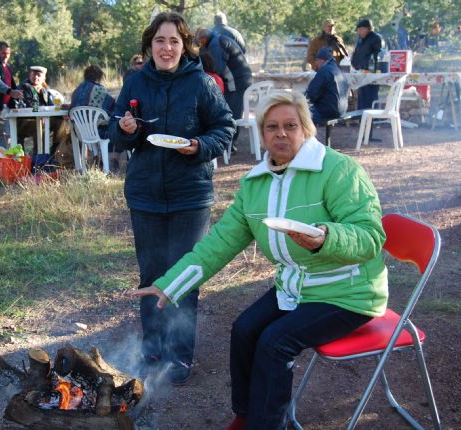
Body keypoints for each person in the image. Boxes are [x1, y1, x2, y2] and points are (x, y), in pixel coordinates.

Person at [133, 90, 388, 430]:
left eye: (290, 125)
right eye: (271, 127)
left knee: (275, 342)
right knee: (243, 330)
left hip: (348, 292)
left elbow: (371, 237)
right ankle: (246, 415)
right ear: (261, 133)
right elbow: (220, 242)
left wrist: (325, 237)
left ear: (306, 129)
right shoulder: (257, 184)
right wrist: (170, 284)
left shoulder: (339, 170)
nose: (281, 134)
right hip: (296, 288)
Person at [109, 12, 235, 385]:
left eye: (174, 42)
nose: (166, 48)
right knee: (151, 274)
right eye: (160, 41)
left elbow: (225, 129)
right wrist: (125, 128)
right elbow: (117, 134)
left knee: (183, 276)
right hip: (145, 195)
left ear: (185, 47)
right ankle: (152, 348)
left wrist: (198, 146)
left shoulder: (201, 84)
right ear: (150, 45)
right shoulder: (135, 83)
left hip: (189, 195)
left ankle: (179, 355)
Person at [197, 28, 252, 153]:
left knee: (231, 113)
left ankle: (229, 145)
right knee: (233, 111)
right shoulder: (219, 38)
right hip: (243, 77)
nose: (200, 45)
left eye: (200, 42)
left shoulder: (216, 44)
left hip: (236, 80)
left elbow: (217, 67)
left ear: (204, 39)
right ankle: (229, 144)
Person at [70, 64, 119, 170]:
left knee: (98, 121)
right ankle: (110, 162)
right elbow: (112, 107)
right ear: (99, 77)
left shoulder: (76, 91)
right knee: (113, 124)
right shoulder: (99, 90)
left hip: (80, 132)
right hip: (96, 132)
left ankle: (96, 158)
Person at [351, 17, 383, 141]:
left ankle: (369, 134)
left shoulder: (376, 38)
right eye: (358, 30)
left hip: (371, 77)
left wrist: (372, 70)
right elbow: (357, 54)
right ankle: (363, 134)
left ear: (368, 29)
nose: (360, 32)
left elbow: (378, 57)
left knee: (369, 104)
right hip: (361, 75)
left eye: (362, 29)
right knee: (362, 104)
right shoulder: (361, 39)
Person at [0, 41, 23, 147]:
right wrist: (10, 91)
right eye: (3, 53)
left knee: (4, 136)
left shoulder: (6, 66)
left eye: (8, 53)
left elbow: (12, 84)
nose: (6, 56)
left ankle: (3, 161)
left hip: (6, 107)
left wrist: (17, 95)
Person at [305, 47, 348, 125]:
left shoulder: (324, 71)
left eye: (316, 60)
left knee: (299, 109)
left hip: (329, 112)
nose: (315, 63)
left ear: (321, 60)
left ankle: (307, 136)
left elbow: (311, 94)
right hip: (342, 110)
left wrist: (300, 99)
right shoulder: (337, 69)